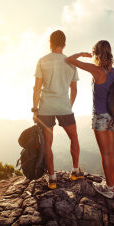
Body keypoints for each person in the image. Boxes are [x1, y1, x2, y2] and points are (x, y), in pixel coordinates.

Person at [32, 30, 84, 189]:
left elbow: (37, 88)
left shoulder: (42, 61)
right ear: (64, 44)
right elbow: (74, 89)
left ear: (50, 43)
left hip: (46, 107)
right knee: (74, 138)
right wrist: (69, 105)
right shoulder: (71, 62)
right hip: (64, 106)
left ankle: (52, 178)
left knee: (48, 143)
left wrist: (35, 109)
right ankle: (76, 171)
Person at [66, 40, 114, 198]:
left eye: (94, 53)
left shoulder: (96, 70)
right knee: (111, 152)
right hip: (112, 117)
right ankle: (111, 186)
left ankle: (108, 189)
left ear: (97, 53)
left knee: (105, 154)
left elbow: (69, 59)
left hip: (100, 117)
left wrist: (82, 54)